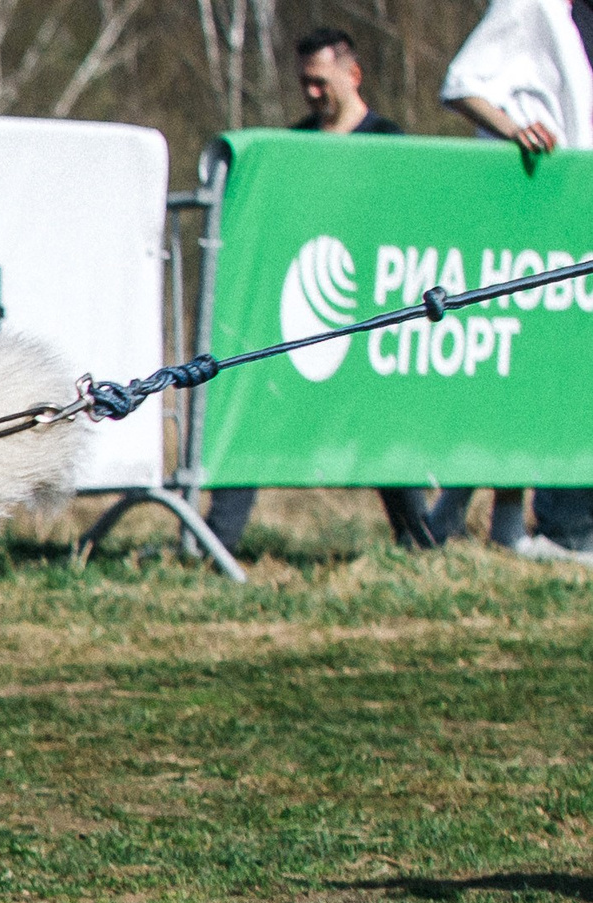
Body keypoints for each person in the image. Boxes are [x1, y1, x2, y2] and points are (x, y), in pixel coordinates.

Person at [206, 29, 438, 554]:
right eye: (303, 84)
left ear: (352, 76)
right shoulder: (292, 149)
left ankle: (418, 541)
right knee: (255, 407)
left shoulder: (390, 144)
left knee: (381, 427)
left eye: (320, 82)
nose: (310, 94)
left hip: (369, 313)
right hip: (303, 316)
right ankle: (214, 543)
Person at [425, 0, 593, 557]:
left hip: (575, 220)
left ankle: (491, 524)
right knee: (526, 371)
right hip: (535, 221)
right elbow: (461, 83)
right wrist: (514, 129)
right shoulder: (534, 5)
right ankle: (551, 528)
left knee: (537, 375)